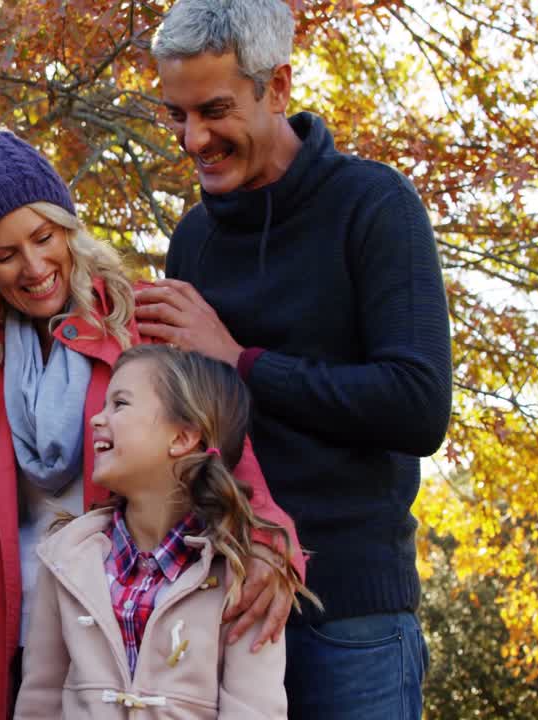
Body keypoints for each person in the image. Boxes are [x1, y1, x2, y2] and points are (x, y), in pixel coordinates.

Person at [0, 129, 304, 720]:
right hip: (12, 630)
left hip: (132, 618)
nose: (34, 266)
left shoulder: (140, 321)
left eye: (43, 237)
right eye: (6, 254)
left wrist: (272, 545)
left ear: (68, 227)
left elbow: (220, 446)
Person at [137, 1, 453, 717]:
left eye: (213, 110)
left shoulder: (374, 206)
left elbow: (417, 404)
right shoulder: (194, 240)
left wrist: (238, 359)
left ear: (276, 87)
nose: (194, 139)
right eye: (176, 115)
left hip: (350, 621)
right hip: (221, 612)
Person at [14, 346, 316, 719]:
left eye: (120, 404)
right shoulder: (65, 557)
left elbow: (255, 710)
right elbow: (39, 701)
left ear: (182, 437)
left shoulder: (242, 574)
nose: (95, 419)